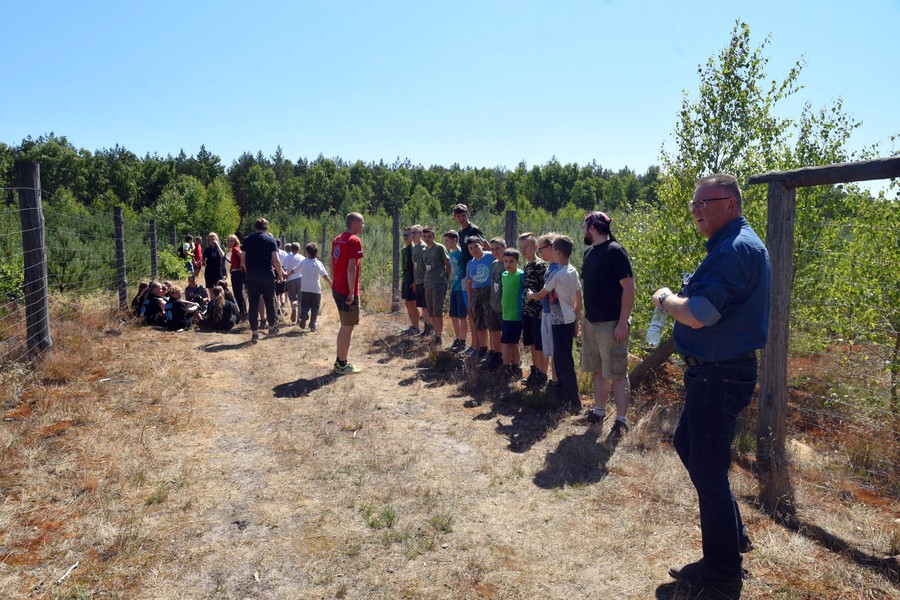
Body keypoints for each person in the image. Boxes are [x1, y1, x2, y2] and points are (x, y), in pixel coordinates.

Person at [653, 174, 770, 590]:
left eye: (706, 202)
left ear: (731, 205)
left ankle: (721, 574)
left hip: (718, 373)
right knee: (691, 447)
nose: (697, 210)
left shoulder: (734, 249)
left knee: (707, 465)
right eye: (693, 204)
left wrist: (666, 300)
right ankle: (732, 536)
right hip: (714, 372)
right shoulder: (733, 245)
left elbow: (699, 313)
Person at [581, 211, 636, 438]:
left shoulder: (615, 251)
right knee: (598, 370)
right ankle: (598, 411)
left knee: (618, 373)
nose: (583, 230)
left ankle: (621, 421)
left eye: (585, 225)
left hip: (612, 324)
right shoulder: (589, 253)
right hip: (591, 322)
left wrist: (622, 322)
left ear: (592, 226)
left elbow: (629, 287)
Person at [526, 236, 582, 411]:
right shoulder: (573, 271)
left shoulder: (557, 274)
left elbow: (541, 294)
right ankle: (566, 397)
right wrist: (576, 320)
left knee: (562, 360)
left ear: (557, 252)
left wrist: (529, 294)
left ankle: (572, 401)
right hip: (568, 319)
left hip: (558, 322)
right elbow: (578, 297)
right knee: (565, 359)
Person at [331, 212, 365, 374]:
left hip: (338, 287)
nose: (363, 226)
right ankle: (342, 365)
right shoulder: (354, 240)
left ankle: (340, 361)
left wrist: (333, 282)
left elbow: (332, 262)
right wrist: (352, 292)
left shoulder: (338, 239)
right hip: (346, 290)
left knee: (345, 326)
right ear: (354, 224)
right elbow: (351, 267)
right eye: (362, 223)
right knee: (347, 327)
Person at [241, 218, 284, 343]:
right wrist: (280, 274)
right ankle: (271, 327)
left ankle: (254, 332)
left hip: (251, 274)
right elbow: (276, 260)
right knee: (269, 300)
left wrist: (248, 270)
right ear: (266, 227)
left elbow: (243, 260)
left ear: (255, 227)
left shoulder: (247, 239)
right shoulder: (270, 239)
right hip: (266, 273)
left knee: (253, 302)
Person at [453, 204, 488, 351]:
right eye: (458, 216)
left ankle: (479, 346)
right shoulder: (461, 232)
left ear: (468, 214)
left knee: (476, 313)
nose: (461, 218)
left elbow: (485, 246)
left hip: (478, 274)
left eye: (463, 215)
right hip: (466, 275)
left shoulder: (474, 229)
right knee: (471, 312)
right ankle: (474, 345)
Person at [518, 232, 548, 388]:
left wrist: (543, 308)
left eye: (526, 247)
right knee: (531, 343)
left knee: (540, 344)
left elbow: (546, 289)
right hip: (527, 311)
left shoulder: (540, 265)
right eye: (521, 247)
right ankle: (535, 371)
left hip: (538, 312)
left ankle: (543, 374)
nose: (523, 250)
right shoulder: (526, 265)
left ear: (535, 247)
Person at [537, 233, 560, 387]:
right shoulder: (550, 267)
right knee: (549, 349)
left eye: (541, 249)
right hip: (547, 312)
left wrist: (534, 296)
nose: (540, 252)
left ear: (550, 248)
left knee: (556, 351)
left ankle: (556, 381)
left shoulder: (558, 268)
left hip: (555, 314)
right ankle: (552, 380)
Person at [465, 235, 493, 360]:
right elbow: (469, 283)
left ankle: (495, 351)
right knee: (480, 323)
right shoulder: (470, 263)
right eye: (470, 248)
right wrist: (470, 302)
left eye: (476, 246)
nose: (474, 250)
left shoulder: (491, 256)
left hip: (490, 292)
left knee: (492, 323)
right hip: (476, 294)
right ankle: (483, 349)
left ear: (481, 245)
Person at [422, 226, 451, 346]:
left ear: (434, 236)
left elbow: (447, 264)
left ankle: (439, 337)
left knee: (438, 311)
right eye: (425, 236)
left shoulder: (439, 248)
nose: (427, 239)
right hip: (428, 283)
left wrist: (446, 280)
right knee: (431, 312)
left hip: (439, 282)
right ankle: (435, 334)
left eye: (430, 236)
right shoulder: (424, 250)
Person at [500, 248, 525, 379]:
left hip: (516, 315)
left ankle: (508, 367)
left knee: (507, 342)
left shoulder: (521, 275)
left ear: (518, 261)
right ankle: (514, 366)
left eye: (511, 261)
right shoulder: (504, 275)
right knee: (511, 342)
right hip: (505, 314)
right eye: (505, 261)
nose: (508, 264)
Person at [482, 237, 507, 370]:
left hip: (504, 306)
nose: (495, 251)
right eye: (492, 249)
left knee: (505, 335)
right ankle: (496, 355)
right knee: (494, 331)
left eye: (498, 248)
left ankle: (506, 359)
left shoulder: (508, 264)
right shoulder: (494, 264)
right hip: (494, 304)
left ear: (505, 248)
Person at [298, 242, 333, 331]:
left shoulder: (304, 262)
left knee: (304, 305)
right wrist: (331, 284)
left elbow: (294, 270)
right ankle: (312, 324)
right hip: (316, 290)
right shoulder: (318, 263)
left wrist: (286, 275)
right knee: (315, 308)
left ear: (307, 252)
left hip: (305, 289)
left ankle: (304, 315)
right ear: (316, 252)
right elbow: (324, 276)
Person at [444, 230, 468, 352]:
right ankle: (457, 339)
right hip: (454, 287)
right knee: (453, 315)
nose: (446, 243)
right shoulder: (451, 253)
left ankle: (463, 341)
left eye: (447, 240)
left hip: (461, 288)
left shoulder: (460, 253)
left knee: (462, 316)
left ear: (454, 240)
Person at [409, 224, 431, 335]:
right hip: (418, 281)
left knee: (426, 306)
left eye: (415, 232)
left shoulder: (423, 247)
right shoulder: (414, 247)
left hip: (425, 281)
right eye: (411, 233)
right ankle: (426, 328)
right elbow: (415, 265)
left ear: (420, 234)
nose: (412, 235)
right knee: (423, 305)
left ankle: (429, 328)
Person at [400, 227, 419, 334]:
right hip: (406, 279)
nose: (406, 237)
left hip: (413, 279)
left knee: (413, 303)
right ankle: (412, 325)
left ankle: (416, 327)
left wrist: (415, 281)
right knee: (407, 303)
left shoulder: (413, 248)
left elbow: (415, 266)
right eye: (404, 235)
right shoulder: (404, 250)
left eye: (408, 235)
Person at [282, 242, 305, 324]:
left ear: (291, 249)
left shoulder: (288, 257)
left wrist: (284, 277)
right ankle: (299, 317)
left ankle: (293, 309)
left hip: (290, 279)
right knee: (300, 299)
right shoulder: (302, 257)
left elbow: (284, 269)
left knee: (292, 298)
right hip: (301, 279)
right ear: (299, 249)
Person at [226, 234, 247, 321]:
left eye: (232, 240)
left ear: (236, 241)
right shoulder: (234, 249)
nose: (230, 242)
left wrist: (243, 264)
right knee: (239, 294)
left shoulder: (235, 249)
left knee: (238, 294)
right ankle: (244, 312)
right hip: (237, 273)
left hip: (237, 273)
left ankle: (243, 313)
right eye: (229, 241)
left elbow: (242, 255)